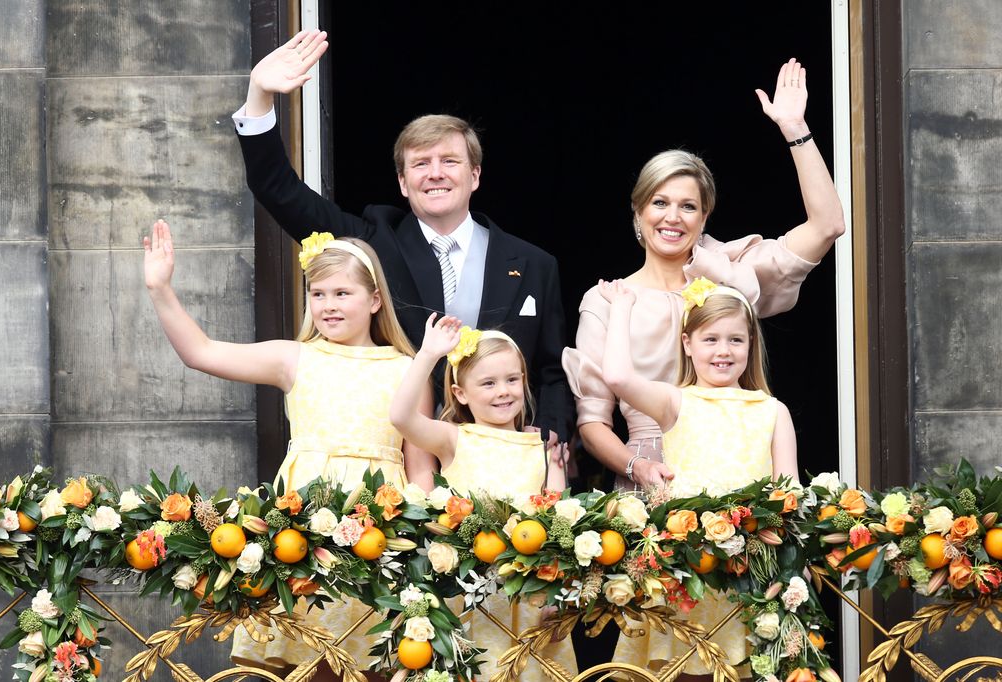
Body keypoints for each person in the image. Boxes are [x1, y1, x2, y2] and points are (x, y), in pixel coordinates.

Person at [232, 28, 572, 469]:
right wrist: (260, 96)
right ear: (402, 182)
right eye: (420, 164)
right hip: (403, 461)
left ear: (475, 176)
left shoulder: (534, 264)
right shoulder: (375, 241)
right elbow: (278, 189)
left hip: (505, 462)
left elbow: (551, 372)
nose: (435, 174)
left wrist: (551, 436)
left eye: (449, 161)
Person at [143, 222, 432, 680]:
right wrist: (160, 288)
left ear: (375, 300)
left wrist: (421, 547)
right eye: (318, 294)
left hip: (380, 526)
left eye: (342, 293)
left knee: (377, 657)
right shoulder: (295, 357)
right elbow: (201, 352)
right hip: (300, 528)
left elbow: (421, 471)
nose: (328, 305)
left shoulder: (407, 368)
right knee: (306, 660)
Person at [563, 58, 844, 493]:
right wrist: (640, 467)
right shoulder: (607, 301)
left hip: (737, 471)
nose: (672, 217)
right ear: (638, 213)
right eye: (659, 203)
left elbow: (827, 226)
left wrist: (795, 128)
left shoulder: (731, 274)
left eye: (688, 206)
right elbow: (594, 422)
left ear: (704, 215)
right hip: (653, 479)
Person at [599, 277, 798, 679]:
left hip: (749, 571)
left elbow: (788, 492)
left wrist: (792, 564)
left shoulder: (773, 410)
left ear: (751, 345)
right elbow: (618, 378)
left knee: (744, 667)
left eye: (735, 340)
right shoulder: (676, 401)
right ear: (687, 343)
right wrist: (620, 307)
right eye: (710, 339)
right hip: (687, 571)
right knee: (683, 668)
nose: (723, 351)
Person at [388, 315, 576, 681]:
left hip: (525, 601)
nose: (503, 391)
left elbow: (558, 529)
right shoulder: (454, 439)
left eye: (512, 379)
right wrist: (428, 354)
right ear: (461, 393)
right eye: (487, 383)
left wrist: (559, 595)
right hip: (464, 596)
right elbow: (400, 416)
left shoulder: (542, 450)